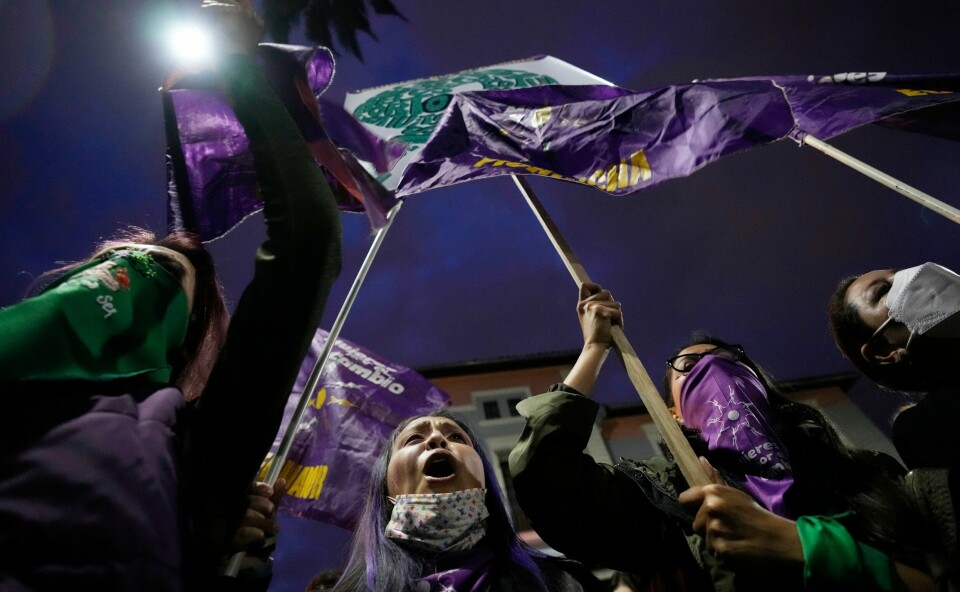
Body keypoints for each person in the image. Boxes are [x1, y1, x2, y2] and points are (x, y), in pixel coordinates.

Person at [0, 2, 342, 589]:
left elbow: (307, 239)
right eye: (117, 265)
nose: (130, 275)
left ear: (184, 346)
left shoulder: (189, 446)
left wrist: (238, 67)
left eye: (164, 279)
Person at [509, 283, 933, 591]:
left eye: (727, 363)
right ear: (673, 414)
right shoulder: (662, 496)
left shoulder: (867, 473)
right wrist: (595, 349)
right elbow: (548, 482)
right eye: (688, 370)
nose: (711, 372)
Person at [331, 409, 602, 592]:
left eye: (456, 437)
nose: (437, 438)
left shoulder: (560, 582)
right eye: (414, 438)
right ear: (386, 487)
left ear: (483, 476)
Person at [829, 262, 960, 583]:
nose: (911, 277)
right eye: (884, 290)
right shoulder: (926, 426)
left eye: (896, 274)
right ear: (883, 349)